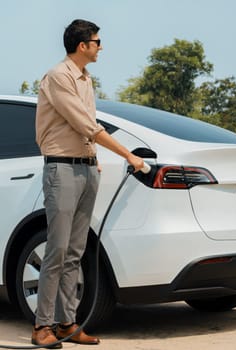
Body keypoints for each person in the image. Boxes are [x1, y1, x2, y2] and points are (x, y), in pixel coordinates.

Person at [32, 19, 144, 348]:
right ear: (82, 46)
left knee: (74, 252)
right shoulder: (58, 77)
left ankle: (67, 323)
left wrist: (93, 160)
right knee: (57, 249)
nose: (101, 46)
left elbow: (88, 128)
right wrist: (129, 156)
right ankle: (42, 327)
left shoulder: (85, 78)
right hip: (62, 171)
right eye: (97, 41)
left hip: (84, 169)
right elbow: (85, 124)